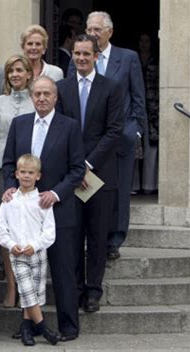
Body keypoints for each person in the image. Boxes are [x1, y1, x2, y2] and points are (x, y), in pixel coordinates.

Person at [2, 76, 85, 341]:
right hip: (24, 211)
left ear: (55, 97)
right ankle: (27, 326)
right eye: (37, 94)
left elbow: (77, 170)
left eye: (46, 94)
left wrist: (56, 193)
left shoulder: (70, 127)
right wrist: (8, 187)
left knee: (62, 271)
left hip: (57, 209)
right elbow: (7, 164)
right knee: (27, 273)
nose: (41, 98)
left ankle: (68, 327)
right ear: (31, 96)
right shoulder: (20, 124)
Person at [69, 11, 146, 260]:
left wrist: (135, 129)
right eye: (89, 29)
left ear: (109, 32)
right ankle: (89, 238)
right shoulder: (78, 58)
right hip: (88, 138)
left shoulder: (128, 58)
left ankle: (114, 240)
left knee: (119, 192)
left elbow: (138, 97)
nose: (92, 33)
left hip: (119, 137)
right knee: (86, 188)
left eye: (97, 30)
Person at [56, 34, 124, 313]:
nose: (81, 58)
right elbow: (58, 128)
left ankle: (94, 291)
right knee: (73, 236)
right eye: (77, 54)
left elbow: (114, 130)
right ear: (72, 55)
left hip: (100, 174)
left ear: (96, 56)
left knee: (97, 235)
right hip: (71, 175)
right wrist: (75, 166)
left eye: (87, 54)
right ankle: (76, 289)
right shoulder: (62, 87)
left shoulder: (111, 87)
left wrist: (89, 163)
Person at [0, 54, 34, 308]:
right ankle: (12, 286)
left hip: (29, 170)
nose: (15, 75)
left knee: (26, 228)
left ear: (28, 74)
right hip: (2, 171)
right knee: (6, 229)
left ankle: (29, 284)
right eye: (11, 71)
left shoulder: (36, 99)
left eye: (19, 70)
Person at [0, 154, 59, 346]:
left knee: (34, 292)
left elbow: (49, 232)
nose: (26, 176)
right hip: (18, 254)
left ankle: (26, 328)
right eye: (22, 172)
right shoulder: (9, 201)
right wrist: (10, 245)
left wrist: (35, 246)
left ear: (38, 176)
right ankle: (43, 328)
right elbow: (1, 231)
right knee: (26, 289)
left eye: (30, 173)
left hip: (37, 253)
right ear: (16, 174)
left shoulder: (42, 201)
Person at [132, 32, 159, 194]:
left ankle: (150, 185)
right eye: (141, 40)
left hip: (153, 107)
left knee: (151, 146)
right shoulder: (132, 60)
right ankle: (133, 185)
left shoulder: (156, 59)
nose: (144, 43)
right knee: (134, 145)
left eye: (147, 40)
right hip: (136, 107)